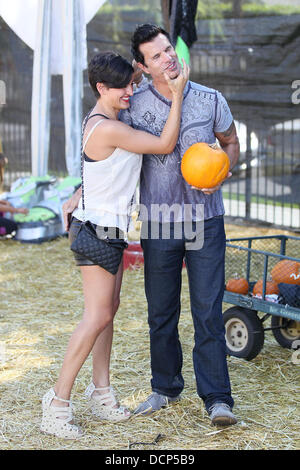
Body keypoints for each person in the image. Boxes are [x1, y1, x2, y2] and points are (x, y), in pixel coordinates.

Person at [63, 24, 240, 427]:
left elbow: (231, 143)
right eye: (157, 55)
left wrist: (221, 168)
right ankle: (165, 388)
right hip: (158, 225)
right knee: (161, 313)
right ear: (142, 67)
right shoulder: (132, 103)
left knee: (208, 311)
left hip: (205, 221)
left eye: (168, 50)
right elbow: (108, 150)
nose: (169, 58)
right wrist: (81, 187)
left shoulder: (211, 100)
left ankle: (217, 399)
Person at [41, 51, 189, 439]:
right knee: (96, 316)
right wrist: (176, 95)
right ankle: (57, 405)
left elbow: (101, 171)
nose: (131, 90)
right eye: (122, 85)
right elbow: (164, 143)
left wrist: (79, 189)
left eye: (133, 82)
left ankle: (101, 393)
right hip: (97, 232)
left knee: (108, 313)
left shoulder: (108, 119)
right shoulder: (108, 127)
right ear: (100, 88)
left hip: (110, 229)